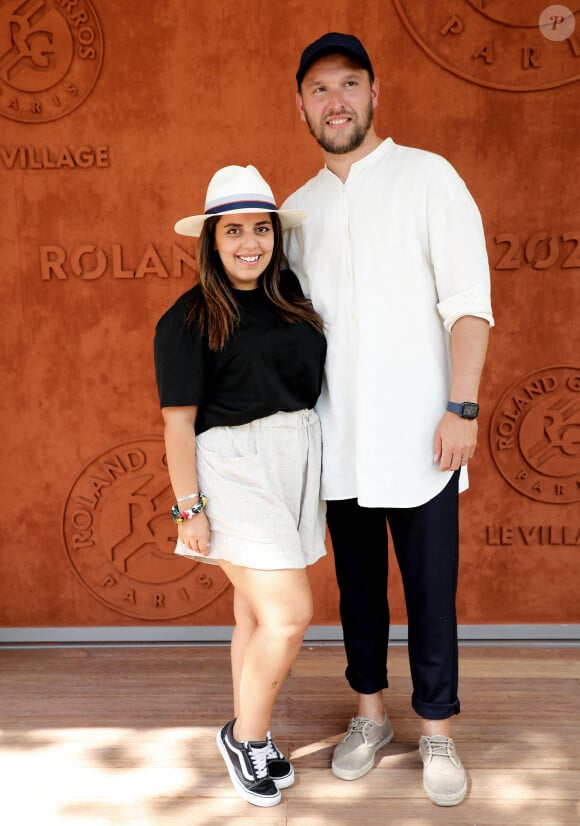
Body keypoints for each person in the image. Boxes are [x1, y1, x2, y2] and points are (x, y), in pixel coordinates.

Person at [282, 32, 494, 807]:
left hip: (422, 437)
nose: (335, 101)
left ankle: (437, 729)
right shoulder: (295, 211)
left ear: (376, 94)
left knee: (432, 589)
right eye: (319, 89)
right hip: (337, 442)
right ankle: (368, 716)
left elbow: (469, 303)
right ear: (300, 104)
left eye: (349, 85)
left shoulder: (428, 178)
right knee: (359, 588)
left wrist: (460, 408)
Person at [153, 164, 327, 808]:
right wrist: (189, 508)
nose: (249, 242)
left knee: (254, 613)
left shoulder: (288, 295)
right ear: (212, 239)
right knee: (290, 613)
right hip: (231, 468)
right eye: (234, 231)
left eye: (261, 229)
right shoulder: (188, 318)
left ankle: (252, 731)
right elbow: (178, 426)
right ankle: (245, 736)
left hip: (294, 458)